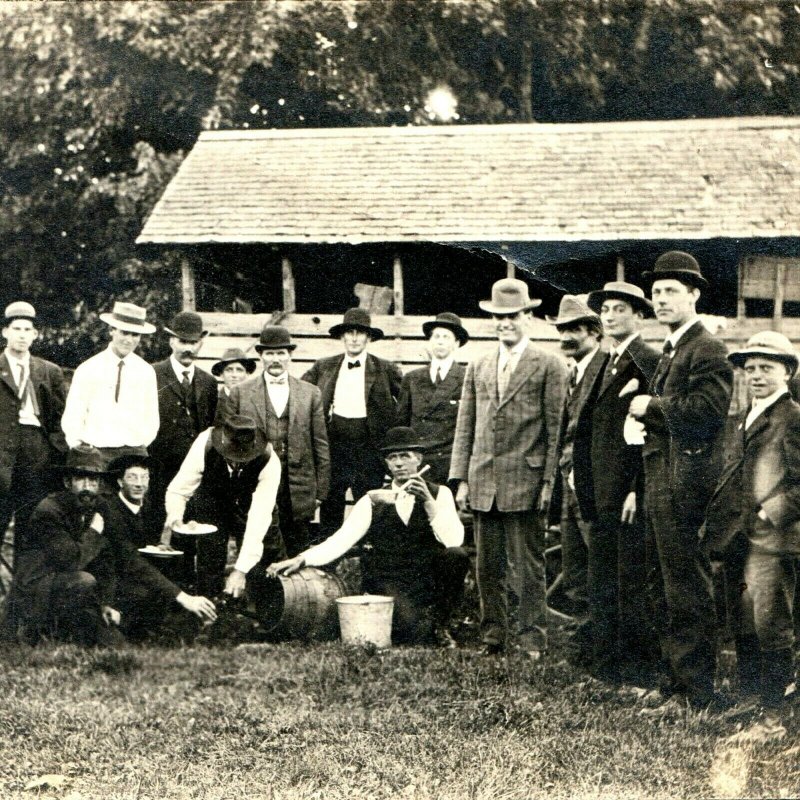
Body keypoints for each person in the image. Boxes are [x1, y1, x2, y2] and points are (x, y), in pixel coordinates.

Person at [629, 251, 733, 711]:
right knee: (662, 584)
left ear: (694, 295)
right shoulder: (674, 347)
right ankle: (672, 683)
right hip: (661, 481)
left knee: (685, 588)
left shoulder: (706, 348)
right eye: (656, 293)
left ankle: (695, 692)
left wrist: (647, 407)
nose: (661, 299)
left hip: (685, 485)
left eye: (671, 291)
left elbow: (707, 415)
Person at [450, 278, 567, 658]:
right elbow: (465, 425)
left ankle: (532, 640)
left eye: (513, 317)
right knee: (488, 567)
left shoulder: (548, 364)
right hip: (484, 479)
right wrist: (461, 479)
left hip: (526, 480)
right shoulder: (479, 364)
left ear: (527, 317)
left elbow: (555, 429)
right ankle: (494, 637)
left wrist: (548, 481)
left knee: (528, 567)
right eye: (499, 318)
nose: (506, 324)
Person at [267, 427, 468, 646]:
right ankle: (419, 623)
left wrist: (429, 503)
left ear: (418, 459)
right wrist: (301, 559)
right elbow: (340, 540)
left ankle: (443, 622)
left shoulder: (440, 494)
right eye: (392, 458)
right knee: (412, 633)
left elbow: (454, 541)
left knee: (456, 556)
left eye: (405, 456)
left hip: (426, 576)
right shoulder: (372, 500)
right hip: (390, 579)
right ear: (387, 464)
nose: (399, 463)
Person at [703, 332, 800, 740]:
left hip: (773, 542)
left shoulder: (792, 417)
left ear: (787, 372)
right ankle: (752, 698)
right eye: (751, 368)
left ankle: (773, 718)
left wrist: (769, 511)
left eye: (767, 368)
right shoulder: (745, 415)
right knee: (743, 620)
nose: (757, 375)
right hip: (739, 536)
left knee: (770, 623)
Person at [584, 281, 661, 685]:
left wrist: (637, 486)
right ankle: (606, 666)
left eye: (619, 309)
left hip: (627, 488)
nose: (610, 316)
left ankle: (636, 669)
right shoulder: (603, 360)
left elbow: (650, 431)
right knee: (603, 577)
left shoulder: (648, 359)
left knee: (630, 579)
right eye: (606, 310)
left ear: (638, 315)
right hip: (600, 485)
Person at [227, 325, 329, 556]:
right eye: (270, 353)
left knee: (296, 550)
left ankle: (295, 593)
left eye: (281, 353)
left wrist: (321, 491)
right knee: (255, 545)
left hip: (298, 487)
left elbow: (320, 443)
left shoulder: (310, 393)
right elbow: (227, 444)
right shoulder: (240, 393)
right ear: (261, 356)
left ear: (290, 356)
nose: (276, 359)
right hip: (255, 483)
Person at [3, 445, 119, 646]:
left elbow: (106, 559)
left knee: (113, 640)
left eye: (92, 480)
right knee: (85, 581)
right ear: (67, 482)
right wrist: (93, 532)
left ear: (99, 484)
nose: (87, 486)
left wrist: (107, 602)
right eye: (80, 478)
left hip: (65, 585)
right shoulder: (49, 510)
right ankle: (36, 633)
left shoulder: (98, 506)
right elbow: (70, 560)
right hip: (36, 590)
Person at [302, 308, 402, 535]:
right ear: (342, 336)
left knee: (368, 502)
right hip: (334, 445)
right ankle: (328, 560)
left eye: (360, 333)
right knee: (331, 502)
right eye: (350, 332)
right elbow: (301, 393)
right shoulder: (324, 366)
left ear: (369, 338)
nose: (354, 338)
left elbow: (405, 403)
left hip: (369, 447)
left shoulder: (385, 369)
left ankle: (369, 555)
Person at [160, 414, 284, 598]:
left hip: (251, 507)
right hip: (213, 503)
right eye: (230, 457)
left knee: (265, 561)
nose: (236, 462)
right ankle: (210, 613)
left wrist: (240, 570)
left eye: (243, 458)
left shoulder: (269, 461)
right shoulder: (205, 443)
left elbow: (259, 519)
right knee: (209, 561)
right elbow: (179, 490)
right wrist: (175, 518)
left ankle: (259, 616)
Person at [546, 295, 606, 660]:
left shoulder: (605, 370)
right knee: (575, 571)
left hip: (594, 489)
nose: (567, 337)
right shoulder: (575, 371)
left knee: (600, 570)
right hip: (570, 487)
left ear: (594, 333)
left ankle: (603, 650)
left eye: (575, 330)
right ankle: (584, 648)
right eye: (562, 330)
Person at [104, 452, 217, 640]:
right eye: (132, 477)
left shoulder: (149, 506)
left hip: (141, 574)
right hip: (116, 581)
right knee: (156, 594)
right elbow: (129, 560)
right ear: (119, 481)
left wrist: (162, 545)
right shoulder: (110, 509)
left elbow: (150, 543)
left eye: (144, 477)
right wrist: (180, 596)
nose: (139, 483)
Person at [0, 302, 67, 550]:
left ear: (35, 335)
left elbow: (61, 420)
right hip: (2, 457)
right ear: (5, 332)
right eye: (16, 328)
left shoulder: (49, 371)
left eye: (27, 329)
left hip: (37, 458)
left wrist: (54, 454)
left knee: (30, 530)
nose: (21, 335)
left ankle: (24, 587)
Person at [61, 301, 159, 466]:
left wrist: (140, 443)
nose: (129, 340)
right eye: (124, 333)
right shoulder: (89, 368)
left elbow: (151, 418)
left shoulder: (146, 371)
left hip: (133, 452)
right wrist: (81, 447)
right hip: (96, 452)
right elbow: (74, 415)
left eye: (135, 335)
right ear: (112, 330)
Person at [150, 312, 218, 526]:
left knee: (191, 527)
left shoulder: (208, 382)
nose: (188, 348)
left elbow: (211, 428)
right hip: (160, 469)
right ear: (171, 341)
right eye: (183, 341)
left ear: (201, 344)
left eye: (194, 342)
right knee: (161, 526)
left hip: (195, 472)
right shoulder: (152, 374)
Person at [395, 312, 469, 485]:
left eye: (446, 337)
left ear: (456, 343)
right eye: (436, 336)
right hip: (419, 464)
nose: (440, 341)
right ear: (429, 342)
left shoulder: (467, 378)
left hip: (450, 464)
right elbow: (402, 423)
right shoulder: (412, 378)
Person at [212, 347, 258, 414]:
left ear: (247, 374)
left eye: (239, 370)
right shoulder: (213, 401)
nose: (234, 375)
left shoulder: (255, 400)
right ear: (221, 374)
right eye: (229, 370)